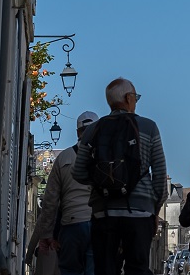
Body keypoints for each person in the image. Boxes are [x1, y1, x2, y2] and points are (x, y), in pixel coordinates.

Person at [73, 78, 167, 275]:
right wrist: (154, 209)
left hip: (103, 211)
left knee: (105, 269)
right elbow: (159, 174)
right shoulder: (149, 127)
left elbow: (78, 172)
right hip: (140, 212)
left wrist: (103, 181)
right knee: (138, 268)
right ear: (128, 98)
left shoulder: (93, 130)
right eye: (135, 97)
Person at [32, 111, 100, 275]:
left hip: (71, 223)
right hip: (98, 222)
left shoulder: (63, 158)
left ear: (78, 132)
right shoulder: (105, 157)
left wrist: (47, 233)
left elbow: (50, 201)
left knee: (70, 270)